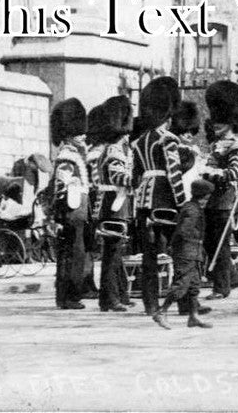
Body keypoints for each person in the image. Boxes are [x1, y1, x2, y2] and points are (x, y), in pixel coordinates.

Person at [130, 76, 187, 315]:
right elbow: (174, 174)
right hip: (165, 199)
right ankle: (186, 303)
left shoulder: (139, 142)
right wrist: (183, 203)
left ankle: (151, 304)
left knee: (149, 257)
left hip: (144, 202)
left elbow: (135, 177)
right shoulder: (168, 139)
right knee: (183, 252)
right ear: (168, 112)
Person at [201, 80, 238, 301]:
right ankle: (233, 278)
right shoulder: (216, 145)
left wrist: (211, 173)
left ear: (231, 123)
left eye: (221, 124)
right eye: (215, 123)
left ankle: (221, 287)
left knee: (219, 244)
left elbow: (235, 172)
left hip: (226, 201)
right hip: (213, 200)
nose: (216, 127)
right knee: (211, 242)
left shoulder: (236, 146)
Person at [90, 95, 135, 313]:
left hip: (114, 205)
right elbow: (118, 177)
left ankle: (119, 294)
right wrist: (137, 179)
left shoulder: (112, 150)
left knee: (116, 253)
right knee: (111, 254)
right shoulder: (114, 151)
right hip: (112, 206)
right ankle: (109, 299)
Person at [152, 178, 214, 330]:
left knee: (193, 286)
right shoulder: (192, 210)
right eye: (207, 197)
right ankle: (161, 312)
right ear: (203, 196)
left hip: (192, 252)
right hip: (187, 253)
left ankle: (193, 316)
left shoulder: (192, 207)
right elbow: (184, 231)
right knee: (181, 285)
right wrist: (191, 245)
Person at [50, 99, 89, 309]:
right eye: (79, 133)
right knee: (71, 255)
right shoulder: (66, 157)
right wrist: (60, 215)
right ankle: (68, 296)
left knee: (74, 254)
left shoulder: (74, 155)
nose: (84, 136)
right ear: (69, 134)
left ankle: (69, 295)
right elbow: (61, 187)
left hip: (77, 211)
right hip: (71, 211)